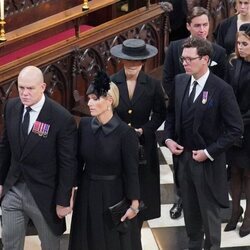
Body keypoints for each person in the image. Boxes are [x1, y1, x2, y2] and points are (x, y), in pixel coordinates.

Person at [164, 37, 243, 249]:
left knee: (209, 219)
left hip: (207, 164)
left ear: (205, 59)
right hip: (183, 161)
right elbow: (170, 115)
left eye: (190, 59)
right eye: (183, 59)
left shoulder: (221, 89)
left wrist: (209, 152)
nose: (185, 63)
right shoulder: (180, 82)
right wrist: (168, 139)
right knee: (190, 217)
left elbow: (236, 129)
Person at [0, 66, 77, 250]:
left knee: (50, 245)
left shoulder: (61, 118)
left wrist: (63, 200)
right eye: (21, 88)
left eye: (30, 88)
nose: (24, 93)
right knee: (10, 244)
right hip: (13, 189)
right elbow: (5, 147)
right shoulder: (11, 106)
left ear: (42, 87)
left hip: (45, 195)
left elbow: (68, 163)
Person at [162, 6, 227, 220]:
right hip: (181, 113)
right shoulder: (174, 48)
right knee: (180, 161)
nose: (202, 29)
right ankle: (181, 197)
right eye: (197, 25)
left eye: (205, 25)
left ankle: (207, 199)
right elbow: (168, 79)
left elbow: (224, 85)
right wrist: (182, 99)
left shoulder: (217, 52)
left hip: (208, 118)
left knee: (206, 165)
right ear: (188, 26)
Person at [68, 71, 141, 250]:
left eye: (95, 99)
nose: (90, 103)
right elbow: (77, 163)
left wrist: (134, 204)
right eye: (89, 99)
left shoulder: (126, 133)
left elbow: (131, 171)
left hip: (113, 194)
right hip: (87, 191)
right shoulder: (84, 126)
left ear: (109, 101)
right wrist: (69, 192)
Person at [110, 38, 167, 250]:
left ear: (143, 62)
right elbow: (107, 111)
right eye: (127, 62)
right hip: (117, 145)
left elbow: (161, 113)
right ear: (122, 61)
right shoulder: (112, 82)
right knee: (120, 192)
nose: (132, 66)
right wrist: (121, 130)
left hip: (144, 147)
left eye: (136, 62)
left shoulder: (152, 84)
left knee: (142, 194)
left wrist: (145, 129)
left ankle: (136, 239)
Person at [224, 23, 250, 237]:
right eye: (238, 43)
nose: (240, 47)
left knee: (249, 174)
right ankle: (235, 211)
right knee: (234, 171)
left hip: (249, 126)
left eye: (245, 44)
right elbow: (227, 94)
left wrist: (239, 121)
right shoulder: (233, 63)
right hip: (234, 126)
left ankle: (249, 216)